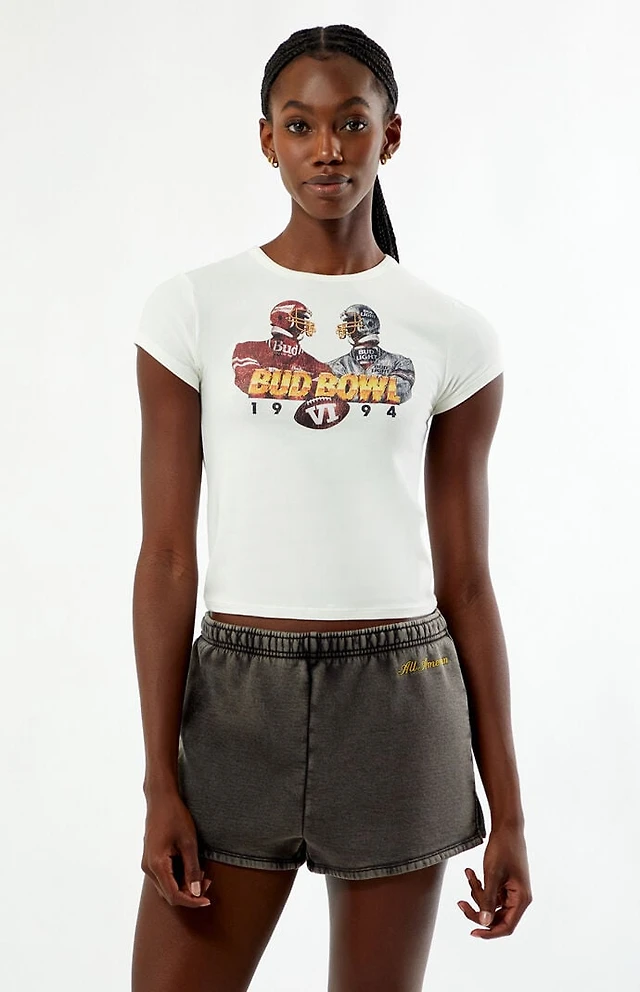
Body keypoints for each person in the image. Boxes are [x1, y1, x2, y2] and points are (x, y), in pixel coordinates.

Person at [130, 23, 532, 992]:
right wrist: (159, 781)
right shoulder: (193, 309)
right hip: (236, 705)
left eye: (352, 123)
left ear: (389, 136)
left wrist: (511, 814)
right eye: (300, 124)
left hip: (400, 703)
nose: (327, 149)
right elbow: (168, 557)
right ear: (267, 138)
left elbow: (469, 583)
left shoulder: (452, 335)